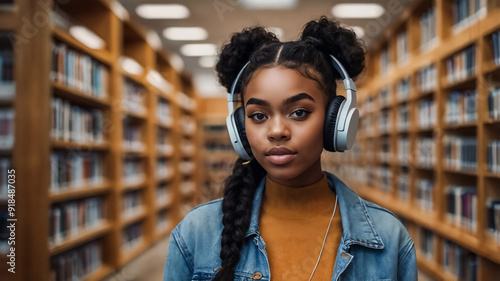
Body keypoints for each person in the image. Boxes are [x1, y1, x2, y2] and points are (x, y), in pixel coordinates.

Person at [163, 16, 417, 281]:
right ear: (240, 127)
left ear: (336, 120)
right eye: (258, 116)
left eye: (298, 112)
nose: (276, 131)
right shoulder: (195, 233)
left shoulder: (389, 238)